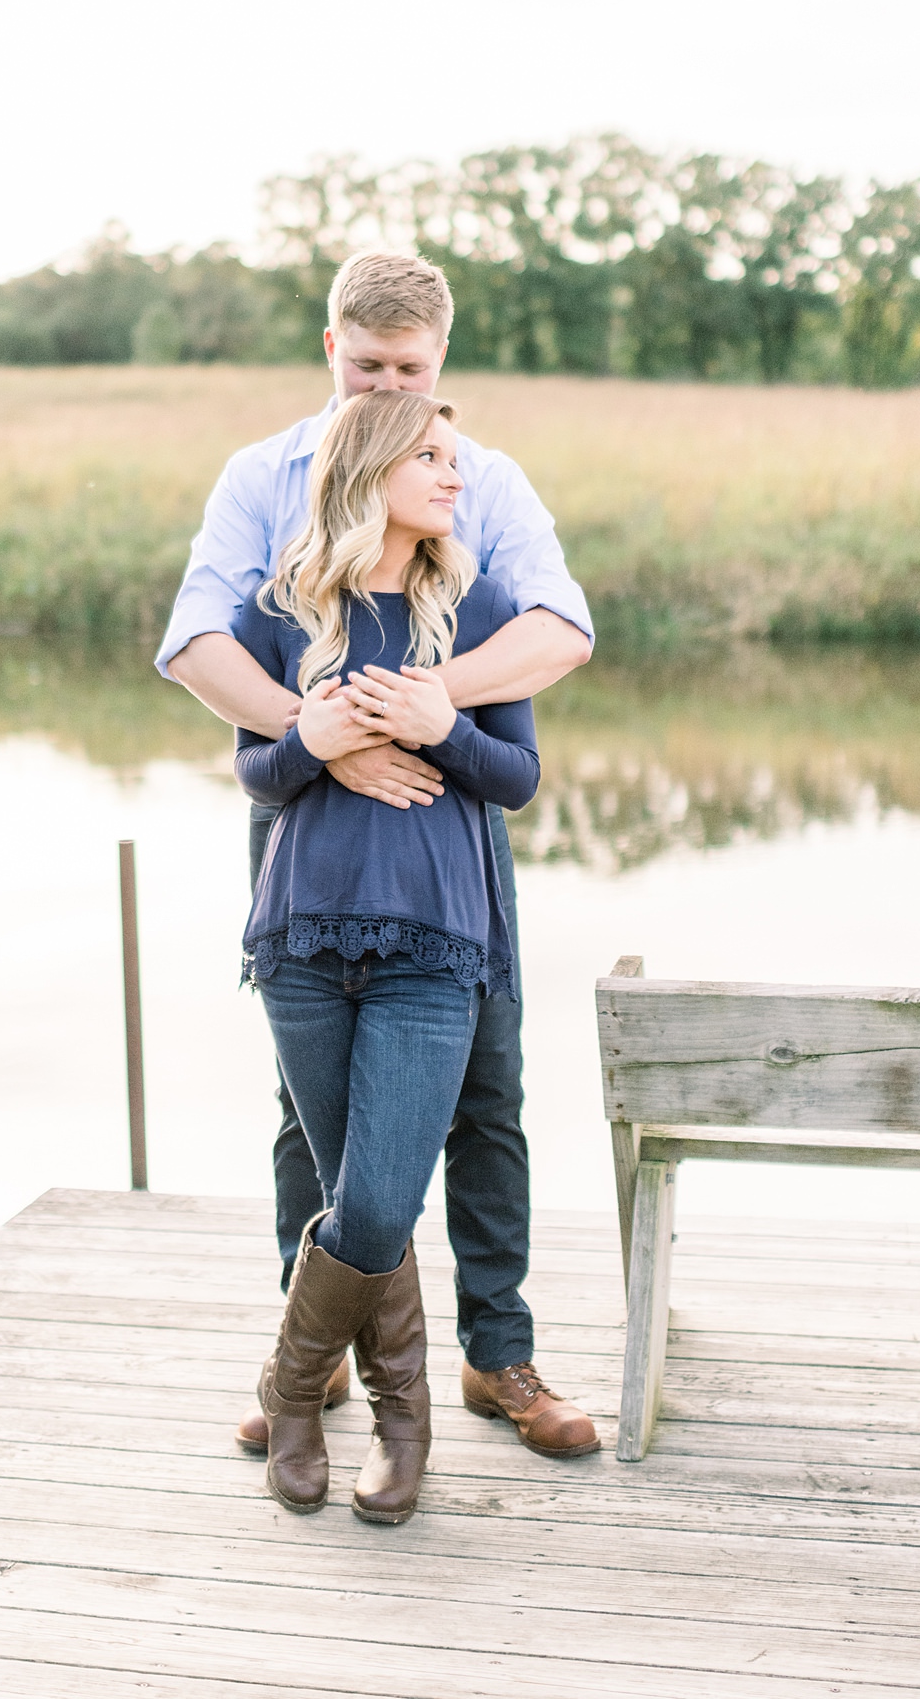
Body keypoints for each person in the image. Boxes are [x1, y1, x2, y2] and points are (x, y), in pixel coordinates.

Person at [157, 248, 600, 1460]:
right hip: (304, 807)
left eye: (410, 370)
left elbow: (561, 631)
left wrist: (415, 705)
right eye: (366, 368)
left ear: (441, 360)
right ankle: (324, 1360)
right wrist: (322, 732)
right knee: (317, 1117)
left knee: (486, 1094)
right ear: (329, 350)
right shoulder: (263, 474)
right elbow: (198, 643)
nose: (386, 390)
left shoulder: (478, 476)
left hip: (448, 820)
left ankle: (495, 1355)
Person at [232, 387, 540, 1519]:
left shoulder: (482, 608)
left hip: (434, 948)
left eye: (453, 460)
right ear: (369, 470)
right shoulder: (278, 611)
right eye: (431, 457)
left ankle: (300, 1388)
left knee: (375, 1201)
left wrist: (439, 726)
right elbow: (257, 775)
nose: (455, 478)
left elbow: (517, 778)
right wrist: (308, 740)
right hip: (305, 940)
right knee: (349, 1188)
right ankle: (389, 1424)